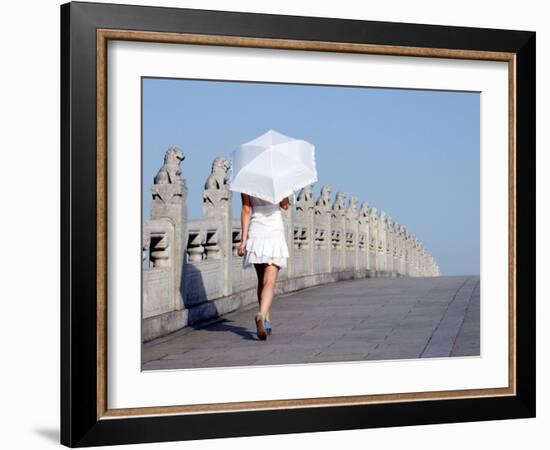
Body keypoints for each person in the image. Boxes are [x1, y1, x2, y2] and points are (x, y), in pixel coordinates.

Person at [237, 193, 290, 340]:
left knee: (261, 280)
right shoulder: (278, 181)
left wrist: (243, 240)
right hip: (274, 234)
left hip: (256, 234)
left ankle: (266, 319)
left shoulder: (247, 180)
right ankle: (261, 314)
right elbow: (285, 205)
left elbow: (246, 209)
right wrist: (284, 194)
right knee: (269, 282)